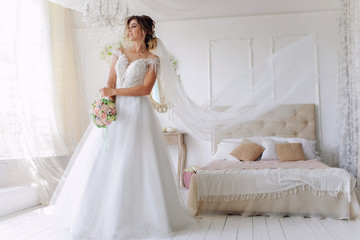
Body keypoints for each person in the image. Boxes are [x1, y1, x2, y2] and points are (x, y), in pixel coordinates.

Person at [48, 15, 195, 240]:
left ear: (145, 30)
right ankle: (94, 216)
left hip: (138, 114)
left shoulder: (153, 59)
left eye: (133, 26)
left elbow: (145, 89)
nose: (129, 30)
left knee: (135, 161)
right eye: (128, 26)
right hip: (117, 112)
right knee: (104, 159)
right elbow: (110, 82)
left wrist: (115, 92)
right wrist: (108, 106)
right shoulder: (119, 52)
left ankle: (139, 218)